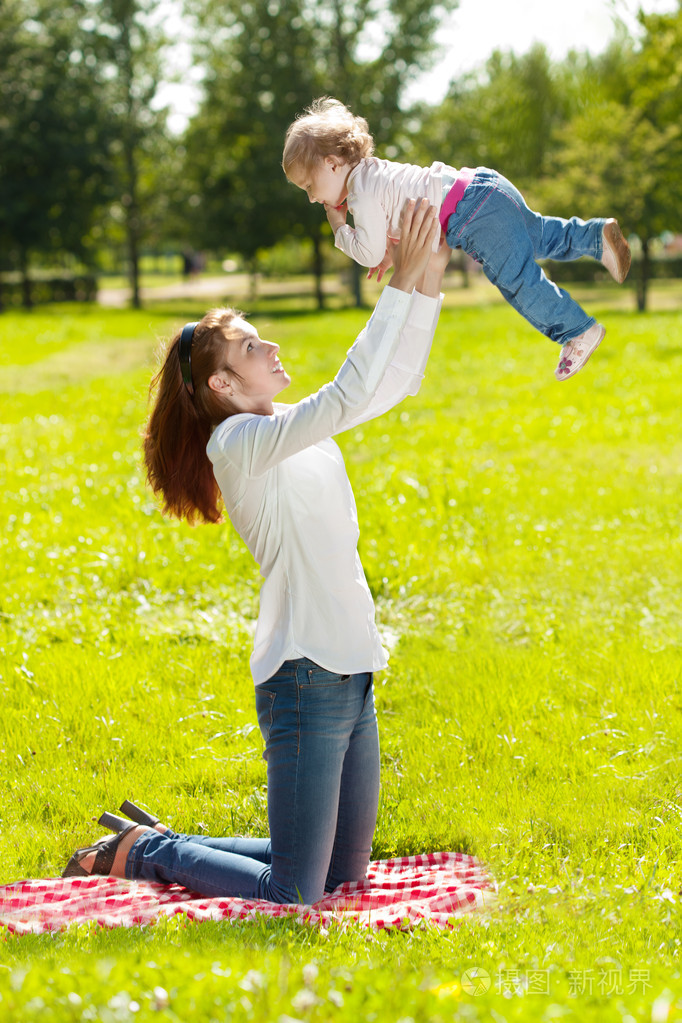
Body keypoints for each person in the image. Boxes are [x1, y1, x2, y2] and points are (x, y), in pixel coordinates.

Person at [62, 200, 450, 904]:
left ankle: (151, 842)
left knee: (342, 875)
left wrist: (427, 283)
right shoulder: (237, 445)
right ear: (222, 386)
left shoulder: (289, 429)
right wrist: (399, 286)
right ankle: (149, 850)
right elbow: (350, 390)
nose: (270, 348)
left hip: (351, 664)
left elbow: (388, 385)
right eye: (249, 347)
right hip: (303, 675)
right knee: (295, 892)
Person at [282, 97, 632, 382]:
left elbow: (368, 252)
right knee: (539, 235)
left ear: (331, 163)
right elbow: (399, 216)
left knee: (517, 281)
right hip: (484, 185)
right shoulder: (374, 172)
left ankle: (577, 330)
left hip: (472, 216)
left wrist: (340, 229)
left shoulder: (358, 193)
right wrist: (392, 248)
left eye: (309, 187)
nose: (312, 198)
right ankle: (595, 236)